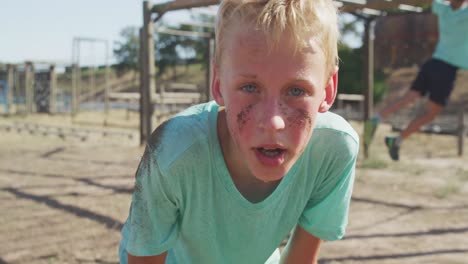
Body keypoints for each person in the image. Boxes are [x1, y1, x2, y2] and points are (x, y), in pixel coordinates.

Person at [119, 0, 359, 263]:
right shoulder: (173, 153)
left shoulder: (333, 148)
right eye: (249, 88)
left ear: (328, 89)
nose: (272, 122)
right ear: (218, 83)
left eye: (296, 91)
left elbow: (301, 258)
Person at [364, 0, 468, 161]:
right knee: (431, 113)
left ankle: (376, 118)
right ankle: (397, 140)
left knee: (409, 97)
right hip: (446, 70)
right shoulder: (464, 14)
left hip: (432, 63)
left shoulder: (443, 10)